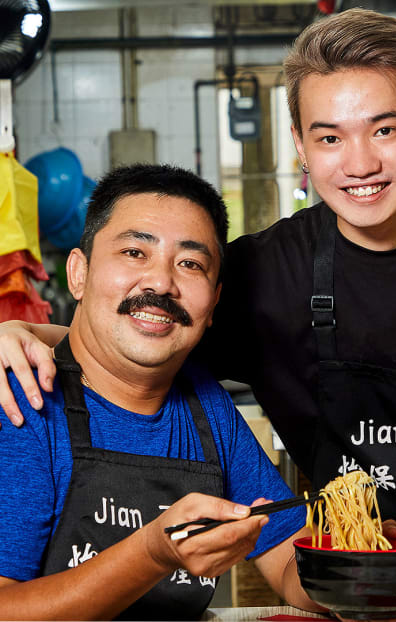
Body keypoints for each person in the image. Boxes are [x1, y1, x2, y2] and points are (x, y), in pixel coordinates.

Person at [0, 8, 396, 537]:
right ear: (300, 144)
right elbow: (144, 333)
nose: (360, 164)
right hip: (345, 568)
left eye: (384, 131)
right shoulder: (262, 272)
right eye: (329, 138)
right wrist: (21, 334)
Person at [0, 164, 321, 620]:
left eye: (190, 264)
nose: (161, 283)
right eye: (135, 252)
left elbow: (289, 561)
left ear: (214, 301)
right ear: (79, 273)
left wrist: (357, 568)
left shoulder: (207, 408)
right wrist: (152, 552)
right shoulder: (24, 402)